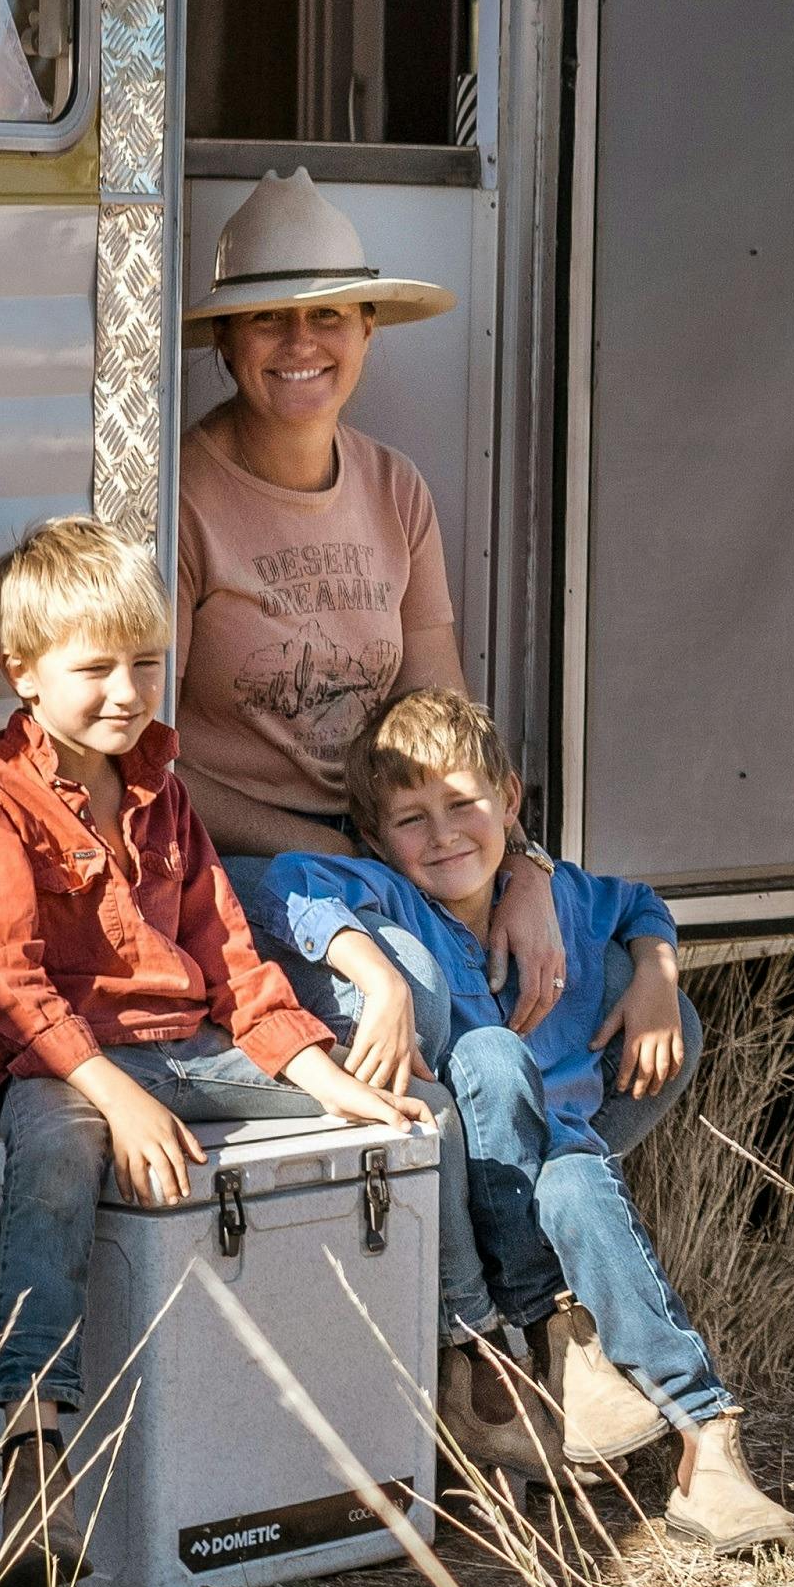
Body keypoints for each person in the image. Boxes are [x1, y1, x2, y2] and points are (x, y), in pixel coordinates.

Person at [0, 518, 556, 1539]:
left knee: (419, 1111)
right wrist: (116, 1096)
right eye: (96, 669)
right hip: (69, 1066)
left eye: (146, 663)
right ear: (22, 671)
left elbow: (228, 960)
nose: (127, 693)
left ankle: (459, 1364)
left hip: (190, 1052)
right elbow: (5, 984)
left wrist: (322, 1074)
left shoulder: (163, 794)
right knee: (53, 1154)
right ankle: (36, 1427)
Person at [254, 688, 794, 1556]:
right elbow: (284, 883)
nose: (442, 836)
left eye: (464, 804)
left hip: (553, 1163)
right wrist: (382, 978)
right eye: (411, 819)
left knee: (579, 1180)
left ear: (510, 799)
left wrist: (657, 982)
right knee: (487, 1059)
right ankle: (547, 1326)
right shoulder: (393, 901)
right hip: (454, 1171)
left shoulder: (563, 899)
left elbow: (640, 908)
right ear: (372, 838)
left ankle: (707, 1445)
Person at [174, 168, 569, 1042]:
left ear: (366, 331)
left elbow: (440, 719)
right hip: (244, 853)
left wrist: (525, 868)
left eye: (327, 315)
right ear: (227, 341)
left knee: (594, 983)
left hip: (393, 838)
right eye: (269, 317)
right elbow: (149, 759)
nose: (299, 341)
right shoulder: (183, 500)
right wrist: (338, 851)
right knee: (423, 995)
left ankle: (545, 1167)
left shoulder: (395, 487)